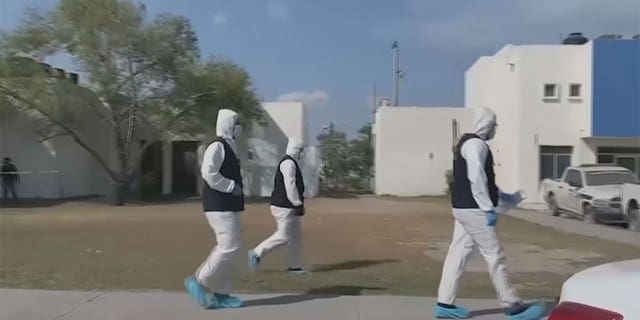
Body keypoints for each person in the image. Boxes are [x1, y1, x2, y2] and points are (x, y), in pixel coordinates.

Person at [434, 108, 545, 320]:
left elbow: (484, 183)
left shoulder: (466, 144)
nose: (495, 129)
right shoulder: (476, 145)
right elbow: (476, 178)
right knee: (494, 255)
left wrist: (509, 199)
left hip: (462, 208)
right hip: (475, 211)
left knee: (458, 253)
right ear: (486, 125)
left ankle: (444, 303)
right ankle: (513, 306)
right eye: (494, 125)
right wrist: (487, 208)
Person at [184, 109, 245, 310]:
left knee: (230, 248)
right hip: (218, 204)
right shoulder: (217, 146)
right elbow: (208, 172)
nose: (239, 127)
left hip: (229, 205)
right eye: (236, 122)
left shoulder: (231, 146)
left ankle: (222, 294)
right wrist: (230, 186)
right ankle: (200, 281)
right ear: (228, 124)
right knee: (228, 246)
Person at [248, 138, 306, 274]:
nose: (302, 154)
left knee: (296, 236)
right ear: (296, 149)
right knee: (284, 236)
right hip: (283, 206)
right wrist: (297, 203)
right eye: (301, 150)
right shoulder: (288, 164)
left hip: (289, 205)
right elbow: (290, 185)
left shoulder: (292, 163)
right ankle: (256, 253)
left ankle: (294, 266)